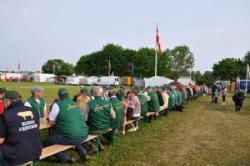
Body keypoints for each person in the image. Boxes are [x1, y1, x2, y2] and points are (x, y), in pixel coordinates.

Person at [44, 88, 89, 163]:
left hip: (73, 136)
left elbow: (51, 122)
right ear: (68, 95)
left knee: (47, 142)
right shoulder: (74, 103)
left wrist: (59, 122)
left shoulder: (57, 105)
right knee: (73, 134)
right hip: (84, 133)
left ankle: (65, 158)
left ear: (59, 96)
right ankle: (83, 151)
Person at [0, 90, 41, 165]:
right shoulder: (34, 111)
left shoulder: (6, 116)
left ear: (8, 101)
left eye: (3, 102)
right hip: (35, 152)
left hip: (16, 156)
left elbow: (1, 140)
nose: (3, 104)